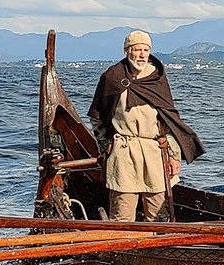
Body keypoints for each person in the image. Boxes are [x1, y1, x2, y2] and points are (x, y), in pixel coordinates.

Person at [87, 30, 206, 222]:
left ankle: (160, 248)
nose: (142, 55)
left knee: (159, 212)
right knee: (121, 212)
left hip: (154, 150)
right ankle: (122, 249)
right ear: (127, 51)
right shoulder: (112, 77)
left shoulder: (157, 78)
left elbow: (169, 121)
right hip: (123, 151)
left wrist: (174, 156)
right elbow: (98, 117)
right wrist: (104, 148)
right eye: (137, 50)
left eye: (146, 50)